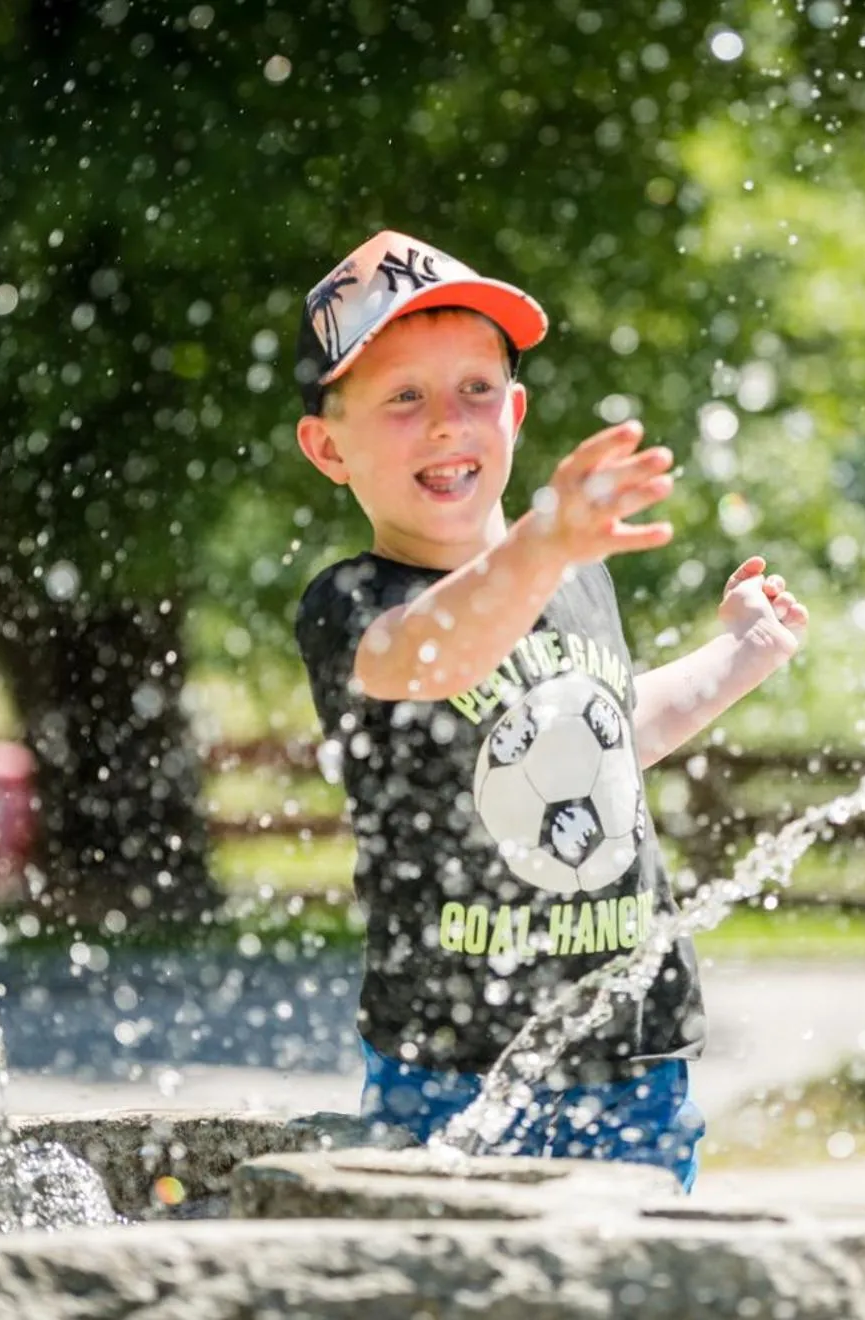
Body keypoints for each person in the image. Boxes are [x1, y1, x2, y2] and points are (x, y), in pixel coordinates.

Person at [291, 231, 809, 1192]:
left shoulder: (574, 578)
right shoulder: (353, 602)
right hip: (451, 1063)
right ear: (330, 446)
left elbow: (609, 731)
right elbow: (434, 655)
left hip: (632, 1050)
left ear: (515, 413)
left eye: (475, 390)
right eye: (404, 397)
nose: (448, 423)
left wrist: (738, 655)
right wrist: (542, 544)